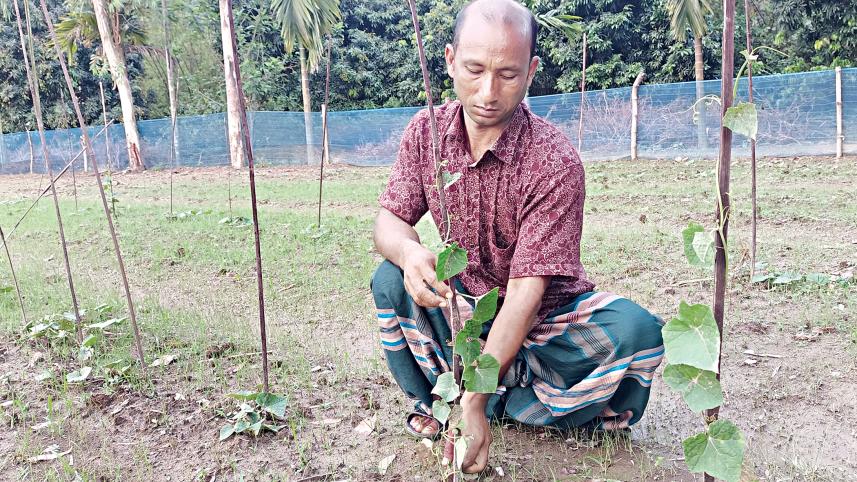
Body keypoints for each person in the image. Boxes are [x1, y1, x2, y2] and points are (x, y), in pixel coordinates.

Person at [370, 0, 664, 474]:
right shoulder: (425, 133)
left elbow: (527, 295)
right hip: (467, 306)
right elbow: (389, 220)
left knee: (638, 333)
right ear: (449, 60)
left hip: (547, 317)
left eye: (507, 75)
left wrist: (478, 396)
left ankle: (485, 397)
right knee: (390, 280)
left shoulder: (553, 160)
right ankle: (442, 402)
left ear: (531, 72)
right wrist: (409, 252)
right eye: (474, 70)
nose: (487, 91)